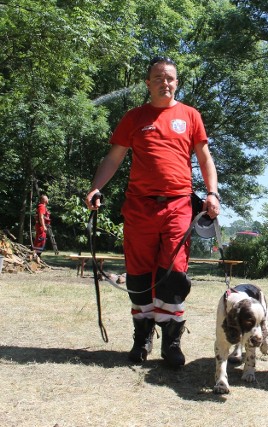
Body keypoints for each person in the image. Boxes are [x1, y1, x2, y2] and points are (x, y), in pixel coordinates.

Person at [85, 56, 220, 368]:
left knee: (173, 274)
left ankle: (172, 342)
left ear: (177, 82)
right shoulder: (134, 117)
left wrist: (212, 193)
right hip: (139, 207)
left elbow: (204, 157)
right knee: (140, 275)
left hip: (178, 206)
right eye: (158, 77)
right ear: (148, 83)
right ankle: (142, 337)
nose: (165, 82)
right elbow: (114, 158)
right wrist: (95, 187)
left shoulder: (190, 116)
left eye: (170, 77)